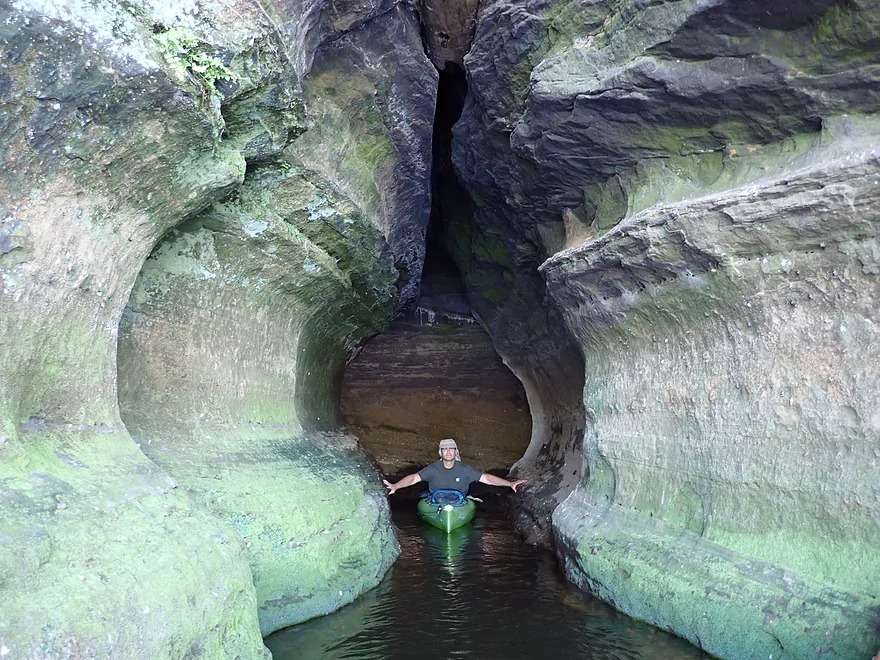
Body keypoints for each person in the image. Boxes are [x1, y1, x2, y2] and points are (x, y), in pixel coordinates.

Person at [383, 438, 527, 496]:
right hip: (436, 500)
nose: (448, 451)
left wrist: (510, 483)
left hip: (459, 502)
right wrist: (396, 486)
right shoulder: (433, 468)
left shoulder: (464, 469)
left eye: (451, 449)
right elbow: (413, 478)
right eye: (445, 449)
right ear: (441, 452)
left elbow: (487, 479)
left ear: (455, 452)